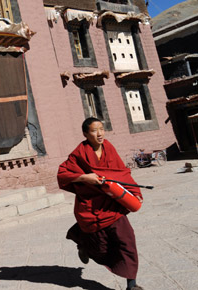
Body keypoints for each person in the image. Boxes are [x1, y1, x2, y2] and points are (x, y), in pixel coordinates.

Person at [57, 117, 144, 290]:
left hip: (112, 204)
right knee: (101, 249)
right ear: (85, 134)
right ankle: (82, 240)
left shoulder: (109, 148)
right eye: (94, 130)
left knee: (127, 241)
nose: (100, 134)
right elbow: (62, 174)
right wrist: (84, 177)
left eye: (102, 129)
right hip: (90, 205)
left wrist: (135, 193)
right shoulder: (79, 153)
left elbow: (121, 172)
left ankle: (131, 285)